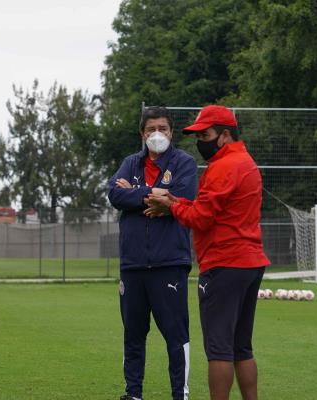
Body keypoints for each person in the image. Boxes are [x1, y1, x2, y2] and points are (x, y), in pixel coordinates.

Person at [146, 105, 270, 400]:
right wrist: (177, 201)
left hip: (224, 263)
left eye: (206, 134)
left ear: (225, 135)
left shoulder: (223, 166)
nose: (201, 141)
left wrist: (170, 206)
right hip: (251, 262)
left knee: (219, 350)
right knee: (242, 347)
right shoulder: (246, 162)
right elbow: (210, 211)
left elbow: (200, 219)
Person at [108, 106, 198, 400]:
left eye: (162, 128)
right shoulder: (130, 163)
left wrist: (137, 192)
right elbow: (115, 195)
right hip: (133, 264)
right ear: (142, 134)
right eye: (150, 130)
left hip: (169, 262)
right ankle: (133, 393)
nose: (156, 134)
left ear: (171, 132)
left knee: (175, 335)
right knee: (133, 335)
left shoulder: (184, 163)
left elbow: (184, 199)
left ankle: (179, 394)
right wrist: (156, 194)